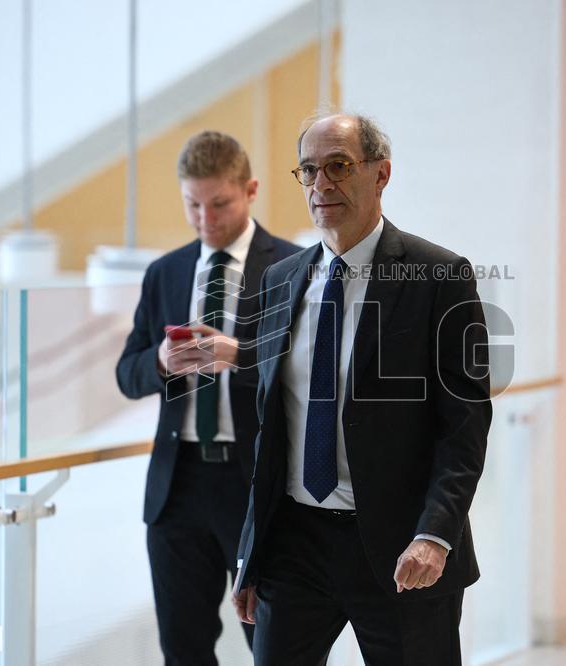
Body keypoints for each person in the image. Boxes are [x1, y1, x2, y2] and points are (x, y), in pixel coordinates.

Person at [231, 113, 492, 665]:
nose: (322, 184)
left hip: (403, 550)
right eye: (309, 170)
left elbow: (463, 429)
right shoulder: (280, 281)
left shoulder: (439, 277)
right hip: (294, 548)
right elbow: (270, 434)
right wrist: (252, 556)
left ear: (381, 174)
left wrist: (435, 535)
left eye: (339, 166)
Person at [115, 130, 299, 665]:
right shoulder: (164, 272)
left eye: (219, 203)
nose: (205, 219)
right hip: (177, 490)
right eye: (192, 205)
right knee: (184, 650)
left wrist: (238, 354)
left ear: (251, 190)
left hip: (258, 486)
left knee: (278, 649)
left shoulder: (294, 266)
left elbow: (314, 373)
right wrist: (159, 362)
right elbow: (127, 374)